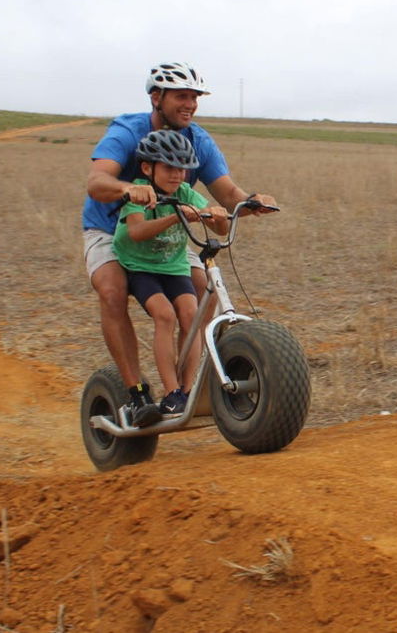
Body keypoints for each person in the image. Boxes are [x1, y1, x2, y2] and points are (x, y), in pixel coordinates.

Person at [82, 62, 276, 423]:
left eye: (194, 97)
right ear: (156, 97)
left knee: (205, 296)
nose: (190, 104)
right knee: (112, 290)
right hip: (112, 229)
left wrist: (252, 203)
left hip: (168, 233)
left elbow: (227, 195)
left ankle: (187, 391)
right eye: (181, 97)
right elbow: (96, 181)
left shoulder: (197, 140)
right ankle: (137, 394)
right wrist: (129, 189)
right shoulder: (128, 130)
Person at [113, 130, 228, 426]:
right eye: (169, 168)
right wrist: (178, 216)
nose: (178, 175)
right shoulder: (140, 191)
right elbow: (136, 232)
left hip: (174, 267)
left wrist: (216, 216)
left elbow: (221, 230)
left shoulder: (186, 193)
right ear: (147, 168)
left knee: (192, 316)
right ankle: (171, 390)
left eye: (183, 168)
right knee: (164, 316)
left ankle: (186, 392)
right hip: (140, 267)